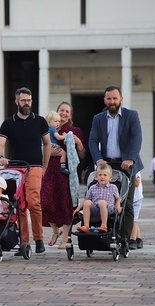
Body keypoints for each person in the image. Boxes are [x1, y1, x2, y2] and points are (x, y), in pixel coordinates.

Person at [0, 87, 51, 254]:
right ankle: (24, 242)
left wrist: (45, 166)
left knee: (34, 202)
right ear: (16, 102)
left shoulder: (40, 121)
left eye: (29, 100)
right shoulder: (8, 123)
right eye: (24, 100)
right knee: (19, 205)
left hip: (34, 166)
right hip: (15, 168)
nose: (27, 103)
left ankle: (39, 239)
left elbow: (47, 143)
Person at [89, 86, 144, 244]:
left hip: (126, 164)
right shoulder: (98, 118)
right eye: (109, 99)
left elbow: (137, 138)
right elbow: (93, 141)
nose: (112, 102)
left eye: (115, 98)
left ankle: (125, 238)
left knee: (127, 203)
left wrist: (130, 159)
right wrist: (98, 159)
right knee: (104, 199)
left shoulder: (131, 115)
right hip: (107, 164)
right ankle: (105, 233)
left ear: (121, 99)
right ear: (104, 100)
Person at [41, 102, 87, 249]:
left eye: (67, 111)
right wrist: (48, 151)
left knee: (65, 204)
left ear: (70, 115)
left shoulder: (74, 130)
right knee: (44, 201)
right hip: (48, 171)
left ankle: (66, 238)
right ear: (57, 112)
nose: (64, 113)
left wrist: (78, 142)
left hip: (65, 173)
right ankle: (56, 230)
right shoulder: (47, 129)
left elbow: (82, 154)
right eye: (62, 110)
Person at [74, 164, 122, 233]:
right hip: (95, 209)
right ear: (96, 176)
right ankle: (86, 226)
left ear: (110, 178)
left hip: (108, 208)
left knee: (102, 202)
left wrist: (118, 205)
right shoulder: (93, 187)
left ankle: (104, 225)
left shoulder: (113, 187)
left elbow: (118, 198)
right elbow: (86, 199)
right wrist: (78, 209)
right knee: (87, 202)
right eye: (100, 175)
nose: (102, 177)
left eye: (105, 175)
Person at [45, 111, 70, 175]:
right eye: (56, 121)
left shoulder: (45, 129)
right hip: (52, 145)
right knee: (64, 153)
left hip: (45, 146)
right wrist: (64, 136)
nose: (58, 123)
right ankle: (63, 167)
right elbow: (58, 137)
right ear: (49, 122)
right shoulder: (53, 129)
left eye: (59, 121)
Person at [129, 171, 144, 250]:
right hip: (127, 197)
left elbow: (137, 183)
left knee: (133, 219)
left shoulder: (135, 168)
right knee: (134, 218)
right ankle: (139, 239)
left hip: (136, 198)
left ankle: (133, 240)